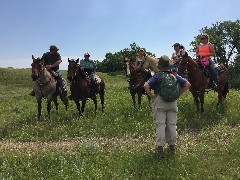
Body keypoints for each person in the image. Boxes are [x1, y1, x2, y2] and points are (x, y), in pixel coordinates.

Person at [144, 55, 191, 157]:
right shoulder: (174, 75)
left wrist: (152, 95)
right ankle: (172, 146)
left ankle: (160, 148)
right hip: (173, 103)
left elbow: (146, 85)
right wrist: (178, 94)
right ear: (169, 66)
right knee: (172, 125)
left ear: (160, 66)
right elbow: (187, 84)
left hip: (160, 101)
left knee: (160, 125)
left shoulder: (157, 75)